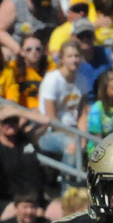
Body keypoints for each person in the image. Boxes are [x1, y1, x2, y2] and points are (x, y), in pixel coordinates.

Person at [37, 40, 90, 176]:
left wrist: (82, 137)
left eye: (77, 56)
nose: (74, 60)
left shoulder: (82, 80)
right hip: (49, 131)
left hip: (74, 130)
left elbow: (82, 114)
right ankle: (66, 189)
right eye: (70, 56)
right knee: (72, 146)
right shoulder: (52, 79)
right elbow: (51, 117)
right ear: (62, 59)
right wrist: (75, 137)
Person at [10, 34, 55, 111]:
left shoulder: (51, 67)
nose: (34, 52)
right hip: (20, 111)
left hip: (42, 111)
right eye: (28, 49)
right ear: (21, 52)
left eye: (38, 49)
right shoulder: (13, 67)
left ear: (43, 52)